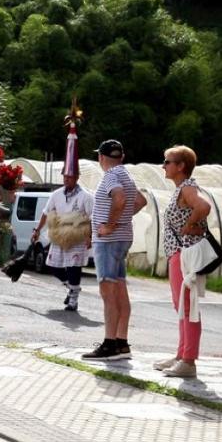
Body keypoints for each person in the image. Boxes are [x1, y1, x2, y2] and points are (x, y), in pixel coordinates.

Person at [83, 139, 147, 360]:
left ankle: (109, 343)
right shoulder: (126, 174)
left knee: (107, 290)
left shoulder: (111, 176)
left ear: (101, 157)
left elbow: (119, 198)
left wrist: (110, 225)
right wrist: (122, 221)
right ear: (122, 157)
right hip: (122, 238)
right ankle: (121, 342)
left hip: (108, 241)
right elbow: (140, 201)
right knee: (120, 289)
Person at [157, 145, 213, 378]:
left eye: (168, 161)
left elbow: (204, 206)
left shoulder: (188, 187)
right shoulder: (181, 188)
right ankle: (181, 355)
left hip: (185, 254)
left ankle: (188, 360)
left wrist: (189, 225)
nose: (164, 166)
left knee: (188, 306)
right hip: (179, 254)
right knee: (181, 305)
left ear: (181, 166)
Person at [30, 102, 93, 311]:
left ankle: (73, 297)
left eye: (70, 176)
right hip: (59, 234)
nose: (67, 178)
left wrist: (89, 237)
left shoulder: (85, 196)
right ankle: (71, 288)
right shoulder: (56, 194)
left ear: (76, 176)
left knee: (74, 266)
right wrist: (37, 230)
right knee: (53, 266)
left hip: (76, 234)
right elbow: (46, 213)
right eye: (65, 176)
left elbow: (91, 217)